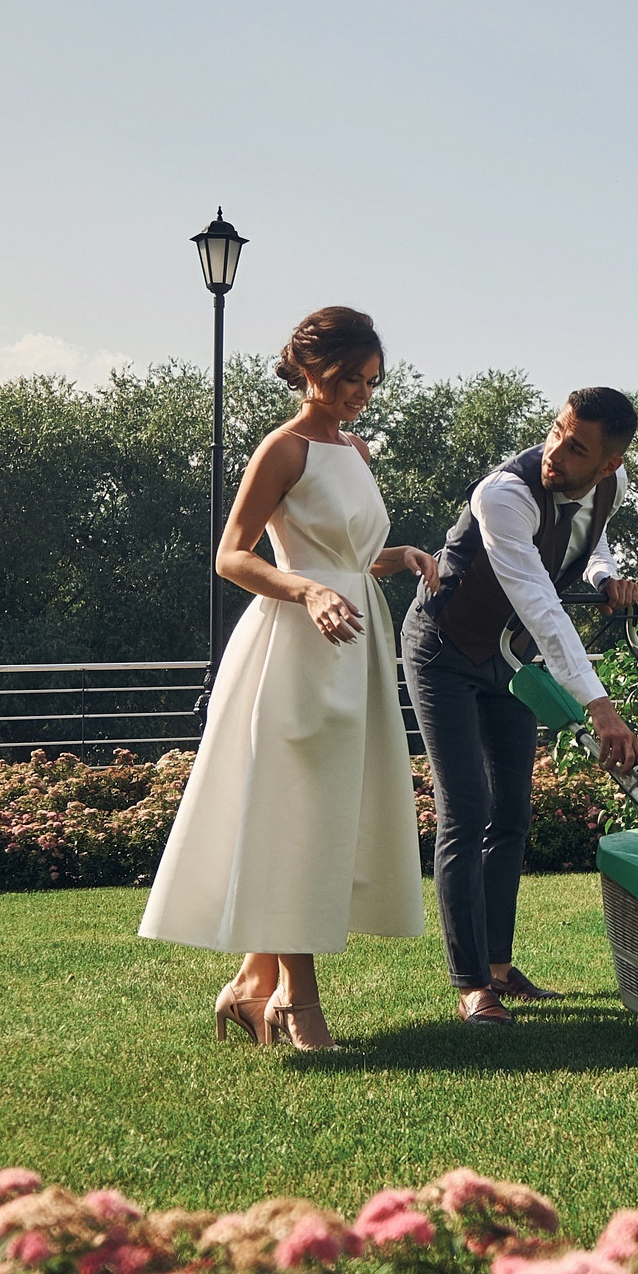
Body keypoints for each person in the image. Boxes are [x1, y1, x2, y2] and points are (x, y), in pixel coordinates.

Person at [138, 306, 437, 1052]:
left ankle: (250, 984)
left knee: (330, 813)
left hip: (356, 644)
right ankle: (293, 1000)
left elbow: (343, 548)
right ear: (309, 371)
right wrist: (307, 590)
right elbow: (232, 556)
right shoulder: (283, 448)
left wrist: (392, 558)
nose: (359, 395)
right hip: (294, 649)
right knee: (297, 810)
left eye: (370, 382)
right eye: (346, 380)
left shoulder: (356, 451)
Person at [403, 388, 638, 1027]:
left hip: (508, 659)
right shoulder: (503, 495)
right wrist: (599, 705)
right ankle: (470, 983)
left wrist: (602, 577)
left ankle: (501, 968)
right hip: (444, 650)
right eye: (558, 432)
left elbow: (586, 542)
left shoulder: (603, 491)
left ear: (610, 464)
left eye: (577, 447)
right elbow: (539, 603)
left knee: (510, 812)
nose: (555, 453)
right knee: (467, 807)